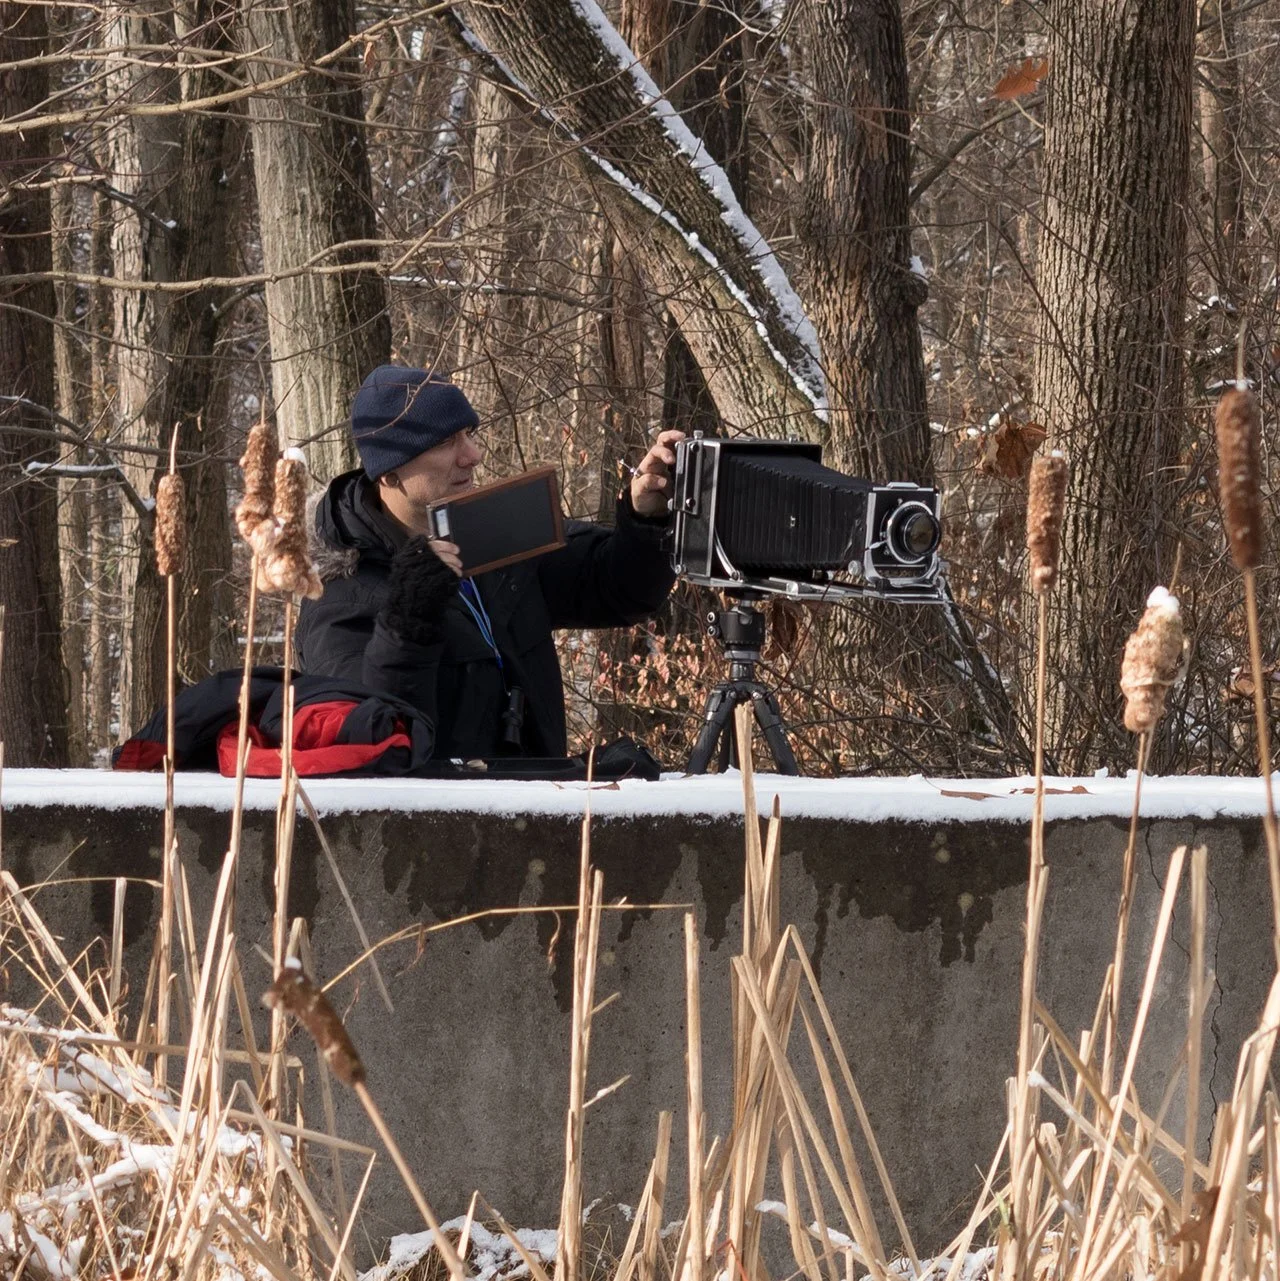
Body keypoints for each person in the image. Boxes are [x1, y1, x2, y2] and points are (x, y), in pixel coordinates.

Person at [296, 364, 683, 761]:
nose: (473, 456)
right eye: (446, 442)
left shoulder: (492, 530)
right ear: (389, 472)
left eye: (469, 434)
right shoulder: (340, 596)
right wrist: (408, 619)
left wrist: (644, 517)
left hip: (534, 808)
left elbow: (619, 590)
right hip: (438, 820)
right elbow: (370, 740)